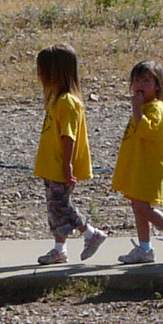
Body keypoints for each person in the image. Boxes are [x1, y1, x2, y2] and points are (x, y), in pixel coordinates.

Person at [111, 60, 163, 264]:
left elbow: (146, 130)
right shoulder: (144, 107)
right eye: (136, 80)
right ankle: (145, 248)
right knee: (137, 207)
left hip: (148, 168)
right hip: (137, 166)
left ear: (157, 86)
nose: (140, 85)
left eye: (146, 80)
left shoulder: (155, 108)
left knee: (144, 208)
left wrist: (137, 109)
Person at [34, 44, 107, 265]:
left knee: (61, 204)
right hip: (50, 165)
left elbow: (69, 137)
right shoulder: (55, 99)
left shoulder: (68, 102)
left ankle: (91, 233)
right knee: (54, 208)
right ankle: (59, 249)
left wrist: (68, 166)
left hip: (60, 166)